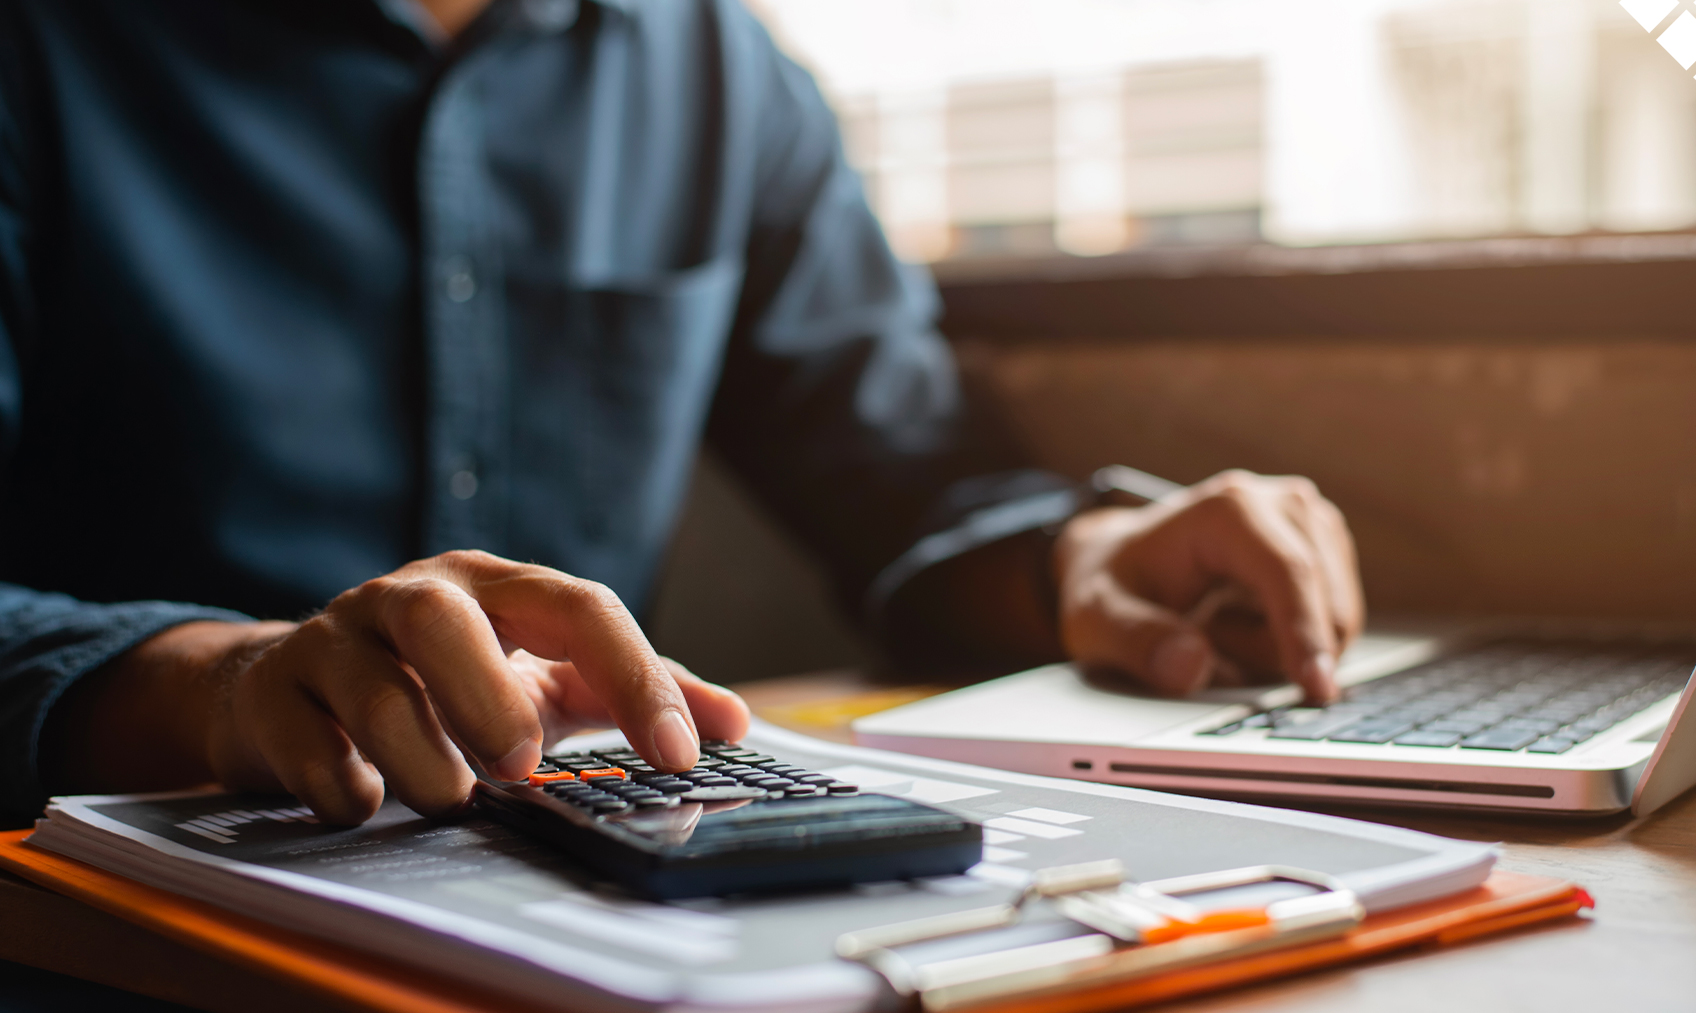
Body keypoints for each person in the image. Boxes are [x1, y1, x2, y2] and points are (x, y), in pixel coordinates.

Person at [0, 0, 1362, 829]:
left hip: (576, 871)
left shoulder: (714, 62)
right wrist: (220, 682)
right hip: (111, 892)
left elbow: (900, 468)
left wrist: (1081, 556)